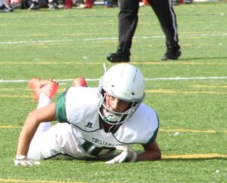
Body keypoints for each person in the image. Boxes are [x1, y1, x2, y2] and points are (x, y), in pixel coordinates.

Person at [15, 63, 161, 165]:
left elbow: (154, 152)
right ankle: (45, 93)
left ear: (134, 103)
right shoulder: (81, 104)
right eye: (112, 97)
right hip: (64, 142)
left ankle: (80, 88)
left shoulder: (142, 118)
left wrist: (134, 157)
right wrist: (20, 156)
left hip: (95, 150)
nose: (115, 106)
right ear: (103, 92)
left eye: (123, 101)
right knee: (31, 152)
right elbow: (35, 116)